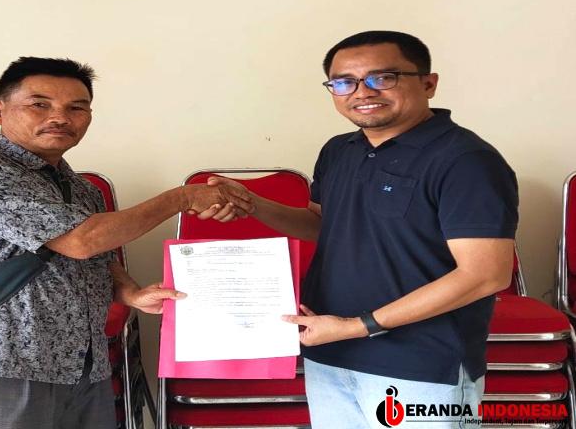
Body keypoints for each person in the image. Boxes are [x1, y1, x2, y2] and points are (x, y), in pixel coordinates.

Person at [206, 31, 518, 428]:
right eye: (344, 82)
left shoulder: (466, 160)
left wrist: (358, 327)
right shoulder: (339, 150)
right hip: (330, 350)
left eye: (382, 77)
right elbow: (322, 225)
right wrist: (252, 203)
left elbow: (485, 275)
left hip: (420, 365)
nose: (362, 92)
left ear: (428, 83)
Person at [0, 56, 252, 429]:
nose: (60, 117)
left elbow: (97, 258)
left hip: (82, 365)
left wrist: (131, 293)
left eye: (76, 108)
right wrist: (182, 198)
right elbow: (81, 241)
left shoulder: (81, 189)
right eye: (40, 105)